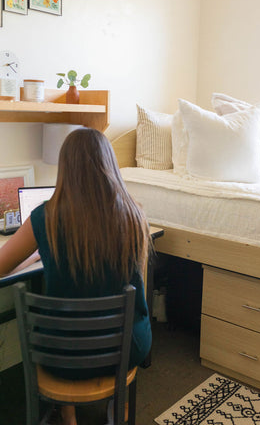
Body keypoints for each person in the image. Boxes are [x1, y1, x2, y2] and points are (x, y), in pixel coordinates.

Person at [0, 128, 152, 425]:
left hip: (62, 355)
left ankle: (68, 416)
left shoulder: (45, 216)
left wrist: (36, 252)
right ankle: (118, 407)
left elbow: (2, 265)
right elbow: (139, 284)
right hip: (125, 346)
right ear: (110, 164)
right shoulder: (135, 214)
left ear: (66, 167)